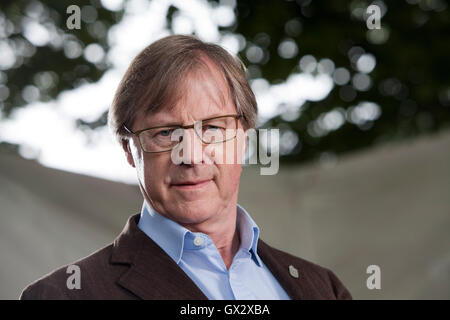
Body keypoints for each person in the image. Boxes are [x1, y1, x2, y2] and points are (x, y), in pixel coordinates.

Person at [20, 35, 352, 300]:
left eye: (212, 128)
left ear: (245, 139)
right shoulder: (62, 295)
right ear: (129, 149)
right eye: (165, 132)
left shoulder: (323, 288)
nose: (191, 155)